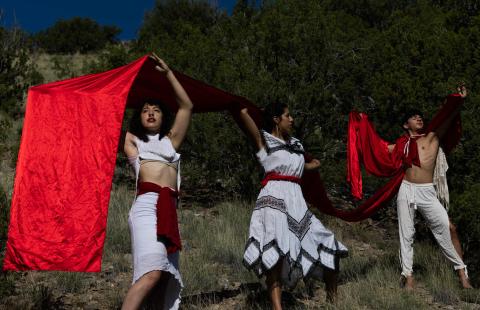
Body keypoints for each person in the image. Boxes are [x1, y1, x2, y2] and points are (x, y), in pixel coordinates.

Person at [239, 102, 348, 309]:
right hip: (273, 201)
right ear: (276, 119)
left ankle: (333, 303)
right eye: (287, 115)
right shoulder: (266, 144)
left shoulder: (297, 145)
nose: (292, 119)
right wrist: (245, 110)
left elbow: (298, 166)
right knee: (276, 252)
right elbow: (247, 123)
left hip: (297, 203)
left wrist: (313, 165)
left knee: (329, 245)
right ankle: (277, 307)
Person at [122, 54, 193, 310]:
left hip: (169, 209)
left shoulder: (170, 143)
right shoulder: (134, 141)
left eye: (156, 109)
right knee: (150, 273)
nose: (150, 113)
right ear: (138, 117)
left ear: (164, 116)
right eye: (144, 110)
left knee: (162, 279)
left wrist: (168, 73)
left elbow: (186, 106)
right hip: (147, 207)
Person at [390, 85, 471, 290]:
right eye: (413, 117)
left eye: (420, 116)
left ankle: (462, 275)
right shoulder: (400, 145)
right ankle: (408, 277)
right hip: (406, 189)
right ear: (405, 124)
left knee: (448, 227)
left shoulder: (431, 138)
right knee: (406, 234)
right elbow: (377, 149)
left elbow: (446, 118)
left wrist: (458, 101)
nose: (419, 118)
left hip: (426, 191)